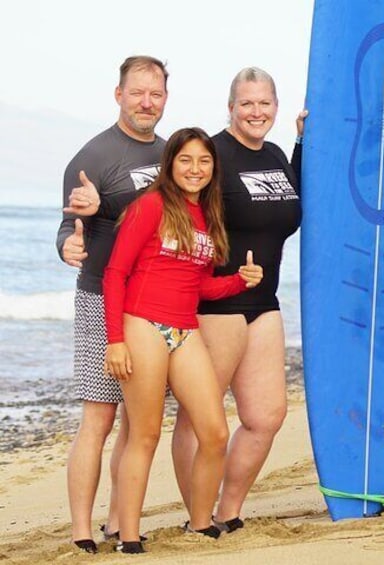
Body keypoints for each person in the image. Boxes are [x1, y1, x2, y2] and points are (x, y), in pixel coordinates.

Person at [102, 127, 264, 553]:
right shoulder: (150, 206)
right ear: (170, 164)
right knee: (145, 434)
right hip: (142, 326)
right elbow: (115, 274)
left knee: (214, 431)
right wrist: (115, 341)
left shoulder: (206, 217)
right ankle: (129, 537)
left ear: (213, 169)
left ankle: (199, 524)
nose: (195, 169)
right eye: (186, 160)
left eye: (204, 161)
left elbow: (199, 287)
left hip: (184, 328)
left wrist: (239, 283)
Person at [170, 67, 303, 533]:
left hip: (263, 301)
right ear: (230, 108)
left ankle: (227, 510)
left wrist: (303, 146)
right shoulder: (213, 154)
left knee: (266, 416)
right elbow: (173, 206)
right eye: (246, 103)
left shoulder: (276, 155)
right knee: (199, 419)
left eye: (265, 103)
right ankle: (197, 518)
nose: (256, 112)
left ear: (277, 108)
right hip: (214, 305)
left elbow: (296, 201)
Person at [55, 55, 168, 553]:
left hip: (152, 303)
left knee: (137, 418)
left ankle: (120, 519)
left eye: (156, 93)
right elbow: (68, 224)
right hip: (102, 298)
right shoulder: (94, 156)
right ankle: (81, 530)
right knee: (99, 418)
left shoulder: (170, 153)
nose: (147, 102)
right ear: (118, 94)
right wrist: (68, 245)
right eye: (138, 92)